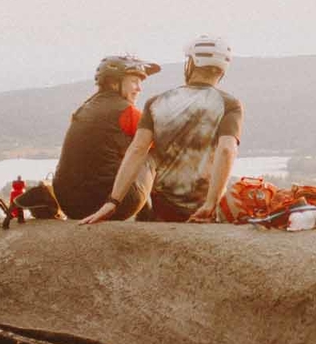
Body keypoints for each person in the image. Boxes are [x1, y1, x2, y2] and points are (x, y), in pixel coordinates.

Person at [81, 34, 243, 225]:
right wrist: (210, 204)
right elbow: (226, 150)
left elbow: (137, 150)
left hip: (164, 208)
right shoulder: (230, 104)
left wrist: (113, 202)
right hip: (203, 208)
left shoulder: (156, 103)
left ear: (190, 64)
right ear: (221, 71)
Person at [46, 54, 160, 220]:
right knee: (151, 153)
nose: (139, 88)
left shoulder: (84, 108)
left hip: (70, 205)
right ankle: (150, 216)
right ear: (114, 83)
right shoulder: (127, 112)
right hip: (109, 204)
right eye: (134, 82)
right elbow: (161, 145)